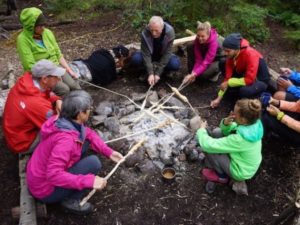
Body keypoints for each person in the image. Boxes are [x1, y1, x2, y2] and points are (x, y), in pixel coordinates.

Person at [26, 90, 124, 215]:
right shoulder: (66, 141)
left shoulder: (61, 120)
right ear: (79, 114)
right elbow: (53, 175)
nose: (90, 110)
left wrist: (108, 152)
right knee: (94, 163)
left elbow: (87, 133)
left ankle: (70, 181)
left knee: (86, 141)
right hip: (44, 189)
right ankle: (71, 200)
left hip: (37, 175)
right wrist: (89, 181)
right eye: (88, 109)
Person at [197, 99, 263, 186]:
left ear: (243, 120)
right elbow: (227, 131)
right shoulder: (251, 125)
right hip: (245, 163)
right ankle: (220, 165)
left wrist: (201, 130)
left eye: (235, 113)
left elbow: (208, 145)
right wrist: (226, 123)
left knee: (211, 150)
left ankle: (221, 177)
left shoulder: (240, 139)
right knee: (217, 132)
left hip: (240, 171)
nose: (232, 113)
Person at [3, 59, 63, 154]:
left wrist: (57, 100)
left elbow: (45, 93)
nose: (59, 79)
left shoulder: (26, 82)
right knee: (60, 135)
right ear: (44, 79)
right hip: (23, 143)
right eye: (56, 76)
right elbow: (57, 126)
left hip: (14, 134)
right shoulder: (36, 103)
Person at [17, 7, 81, 96]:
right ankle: (60, 107)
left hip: (56, 67)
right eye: (40, 26)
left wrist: (69, 70)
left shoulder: (47, 33)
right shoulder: (22, 39)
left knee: (74, 86)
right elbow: (30, 66)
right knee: (64, 89)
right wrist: (53, 75)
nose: (43, 28)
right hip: (41, 74)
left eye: (44, 25)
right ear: (31, 27)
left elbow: (58, 54)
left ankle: (81, 106)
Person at [210, 33, 270, 108]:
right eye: (224, 50)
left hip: (260, 80)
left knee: (244, 91)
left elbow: (249, 80)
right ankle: (233, 92)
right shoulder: (232, 55)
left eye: (228, 51)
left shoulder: (250, 54)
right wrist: (218, 99)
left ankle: (249, 101)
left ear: (236, 49)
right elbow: (227, 78)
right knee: (223, 62)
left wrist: (229, 82)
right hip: (245, 74)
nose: (225, 53)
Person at [131, 16, 180, 86]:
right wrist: (150, 73)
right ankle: (147, 71)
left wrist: (158, 73)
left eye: (156, 30)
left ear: (162, 28)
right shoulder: (145, 33)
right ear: (149, 27)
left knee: (175, 64)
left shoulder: (170, 32)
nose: (154, 33)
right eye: (152, 30)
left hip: (162, 55)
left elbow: (167, 53)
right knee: (136, 59)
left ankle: (160, 71)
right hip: (150, 55)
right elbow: (146, 54)